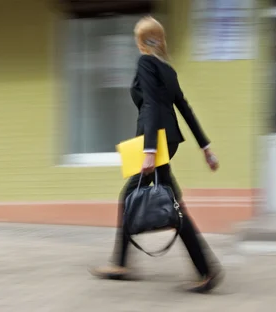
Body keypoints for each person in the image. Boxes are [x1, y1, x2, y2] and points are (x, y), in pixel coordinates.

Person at [90, 16, 223, 293]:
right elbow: (184, 109)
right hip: (168, 140)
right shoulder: (167, 69)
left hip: (155, 143)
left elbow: (150, 104)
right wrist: (205, 147)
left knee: (139, 198)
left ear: (141, 41)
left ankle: (204, 269)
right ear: (160, 39)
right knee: (167, 200)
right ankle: (126, 263)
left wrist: (149, 150)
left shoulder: (146, 63)